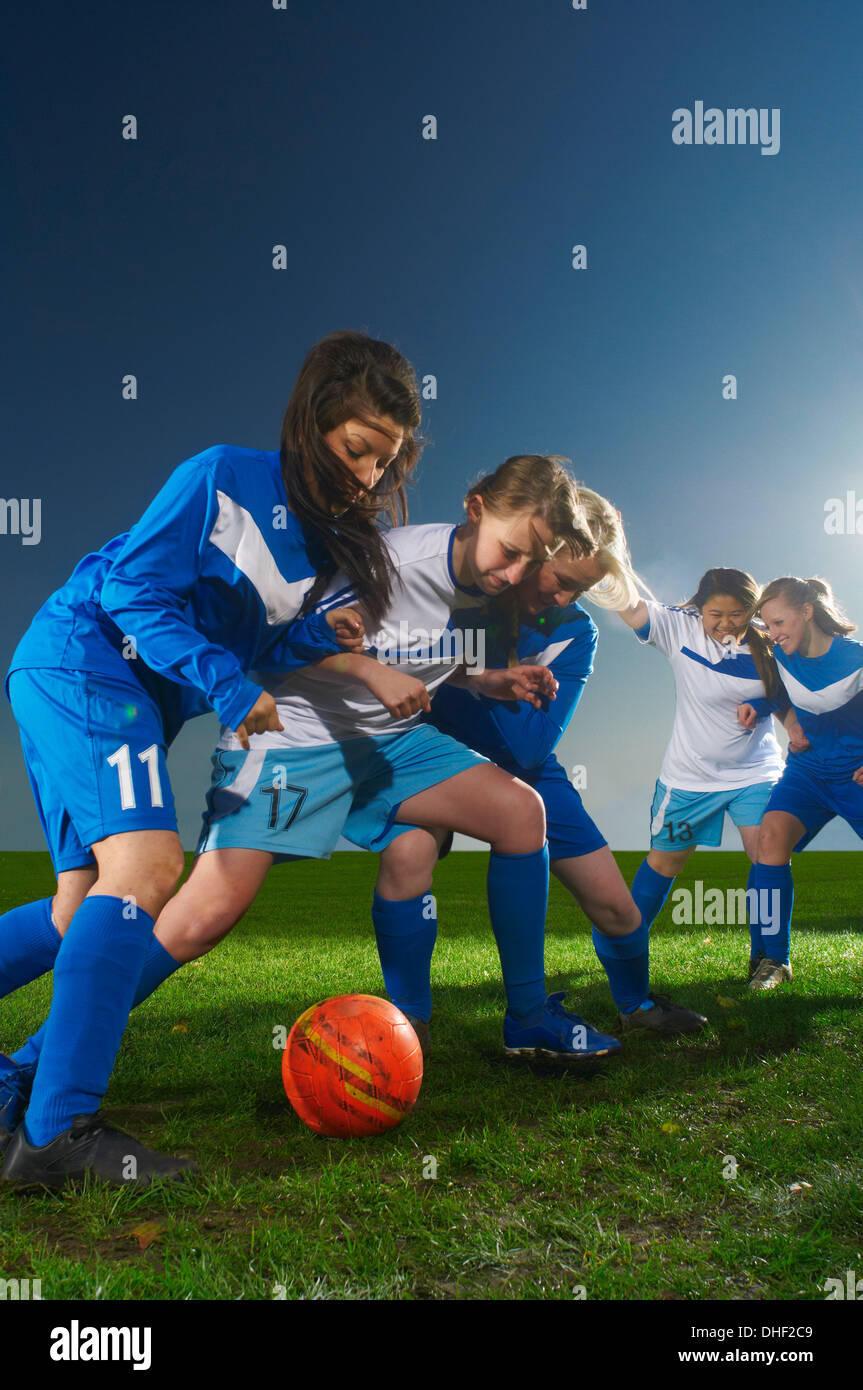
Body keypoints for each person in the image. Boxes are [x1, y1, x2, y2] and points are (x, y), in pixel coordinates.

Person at [2, 456, 613, 1179]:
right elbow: (273, 645)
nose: (518, 575)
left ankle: (527, 1018)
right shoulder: (386, 559)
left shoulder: (488, 588)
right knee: (201, 915)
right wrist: (364, 671)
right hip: (295, 738)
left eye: (533, 562)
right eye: (512, 552)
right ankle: (29, 1068)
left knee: (520, 814)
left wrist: (483, 678)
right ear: (475, 509)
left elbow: (419, 650)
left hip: (390, 742)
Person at [0, 329, 423, 1186]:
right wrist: (227, 688)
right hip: (89, 660)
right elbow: (131, 590)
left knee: (76, 909)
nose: (367, 476)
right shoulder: (220, 476)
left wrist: (311, 634)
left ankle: (28, 1104)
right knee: (151, 868)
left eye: (384, 463)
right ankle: (58, 1138)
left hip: (115, 692)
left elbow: (248, 631)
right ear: (312, 422)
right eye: (355, 449)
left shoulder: (318, 542)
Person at [427, 487, 707, 1038]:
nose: (563, 598)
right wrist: (491, 664)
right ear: (536, 550)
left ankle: (636, 1006)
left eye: (581, 588)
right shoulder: (460, 590)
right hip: (435, 753)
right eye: (560, 579)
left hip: (526, 771)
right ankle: (411, 1019)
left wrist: (491, 670)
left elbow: (531, 746)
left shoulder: (578, 634)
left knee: (619, 911)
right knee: (410, 857)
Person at [616, 566, 808, 991]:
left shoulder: (769, 642)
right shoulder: (677, 629)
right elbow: (626, 602)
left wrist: (785, 723)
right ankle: (624, 943)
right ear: (698, 608)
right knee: (667, 861)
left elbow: (785, 696)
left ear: (751, 610)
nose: (725, 624)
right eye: (714, 614)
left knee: (769, 853)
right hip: (690, 779)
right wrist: (603, 561)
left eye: (737, 614)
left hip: (755, 772)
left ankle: (772, 958)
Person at [737, 576, 862, 990]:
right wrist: (759, 707)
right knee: (768, 840)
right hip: (807, 773)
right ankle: (773, 959)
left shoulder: (856, 659)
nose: (772, 634)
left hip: (854, 777)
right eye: (768, 626)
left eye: (779, 622)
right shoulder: (780, 656)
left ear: (807, 612)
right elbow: (779, 695)